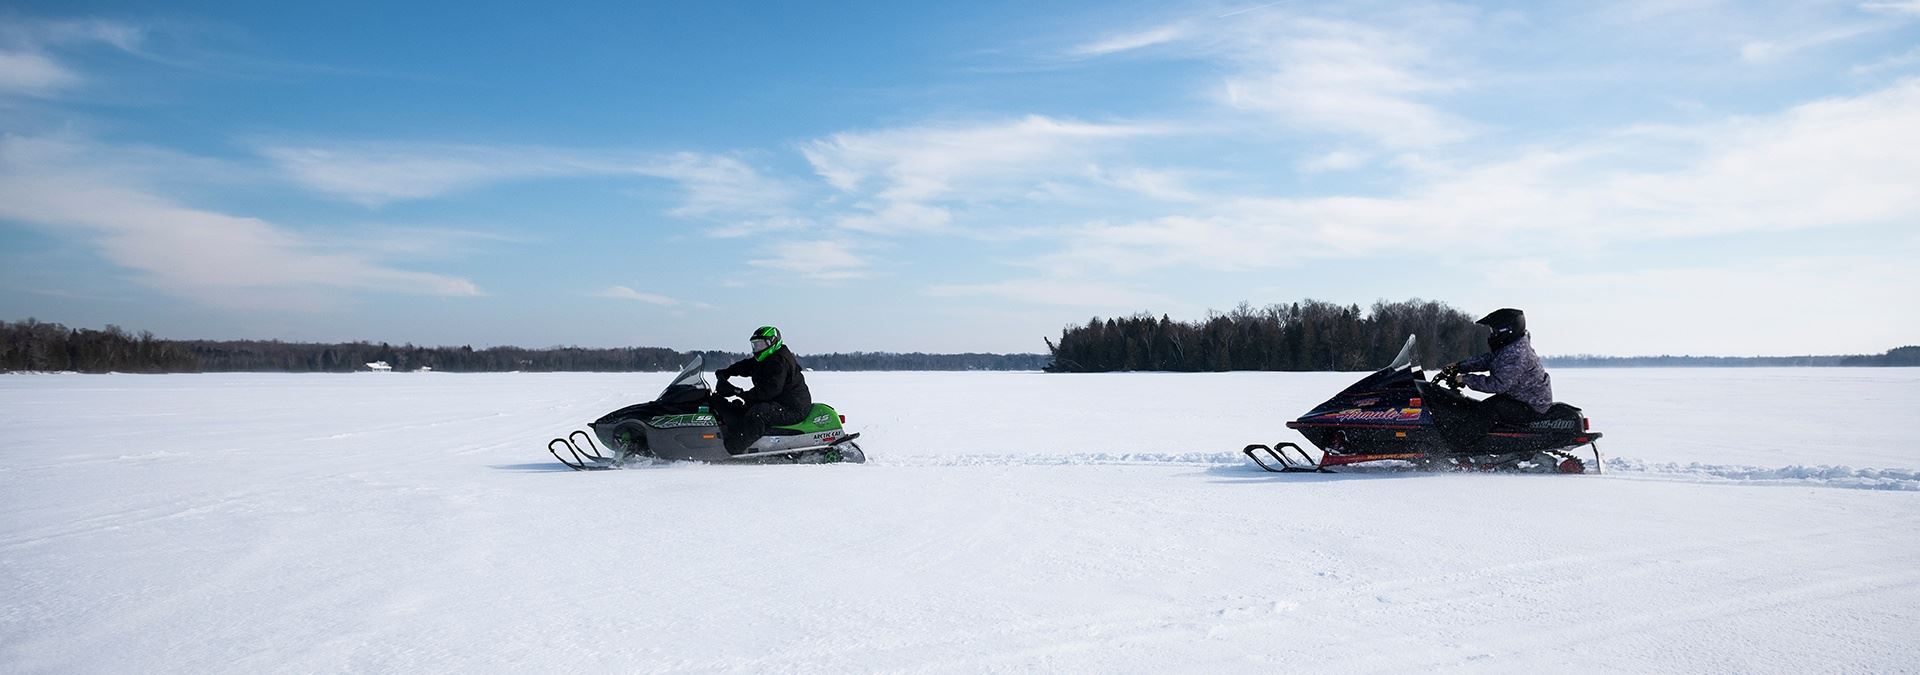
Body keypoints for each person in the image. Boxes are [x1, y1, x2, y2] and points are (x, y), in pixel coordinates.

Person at [1436, 308, 1554, 427]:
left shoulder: (1517, 354)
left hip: (1531, 406)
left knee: (1484, 412)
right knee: (1474, 407)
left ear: (1507, 330)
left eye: (1495, 331)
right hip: (1520, 399)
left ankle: (1461, 442)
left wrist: (1465, 379)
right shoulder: (1510, 347)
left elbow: (1498, 384)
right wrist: (1459, 366)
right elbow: (1488, 360)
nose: (1492, 334)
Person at [710, 326, 812, 454]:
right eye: (755, 345)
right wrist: (727, 372)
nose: (757, 349)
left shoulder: (779, 362)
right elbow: (747, 365)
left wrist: (738, 392)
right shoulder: (767, 357)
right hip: (779, 402)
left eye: (760, 344)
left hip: (793, 408)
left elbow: (768, 391)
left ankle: (732, 448)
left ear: (773, 342)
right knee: (740, 409)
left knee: (758, 414)